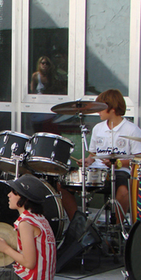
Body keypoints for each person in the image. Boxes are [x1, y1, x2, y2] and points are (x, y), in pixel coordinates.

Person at [59, 89, 141, 223]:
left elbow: (138, 159)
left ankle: (116, 228)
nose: (98, 111)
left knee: (123, 191)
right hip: (97, 172)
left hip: (120, 172)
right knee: (62, 185)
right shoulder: (98, 128)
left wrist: (118, 163)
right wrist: (87, 161)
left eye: (101, 108)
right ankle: (78, 224)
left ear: (112, 108)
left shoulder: (132, 129)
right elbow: (93, 154)